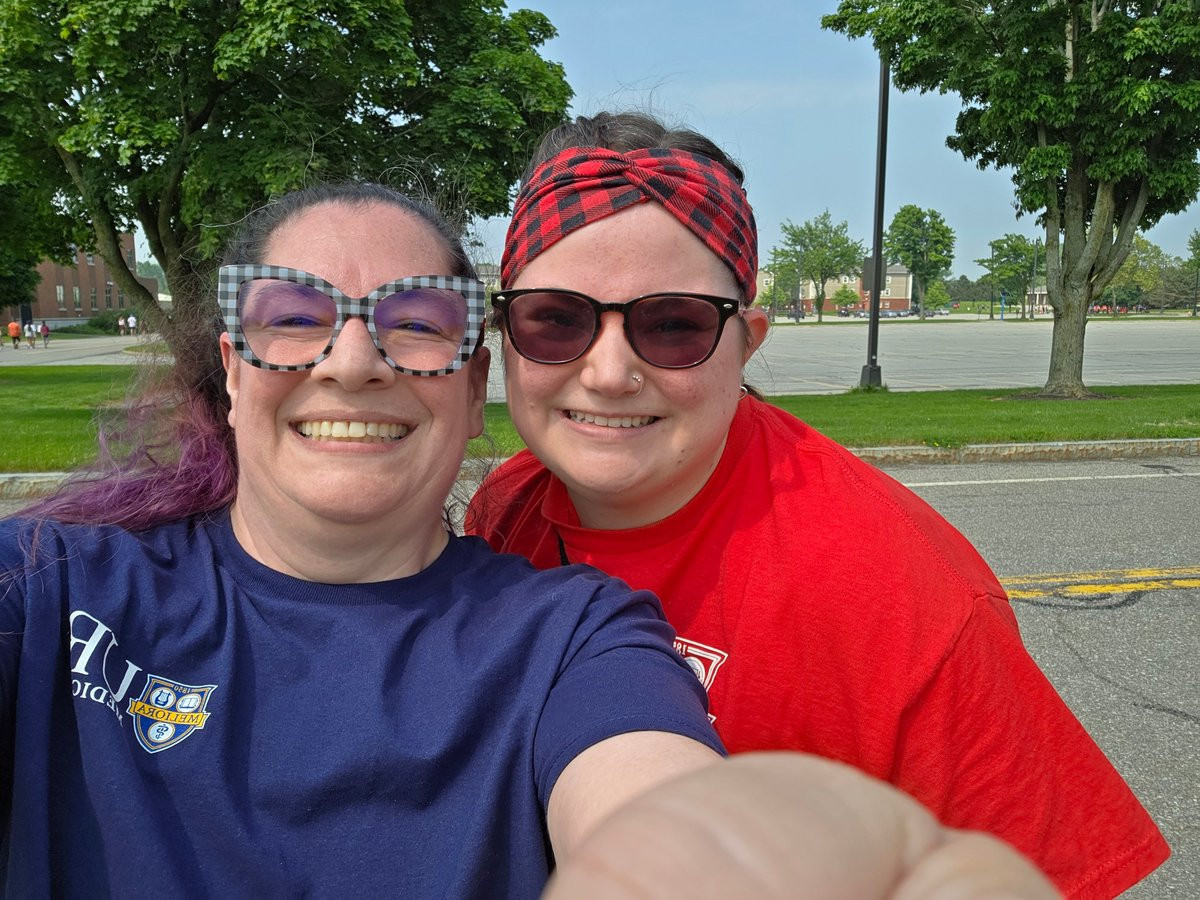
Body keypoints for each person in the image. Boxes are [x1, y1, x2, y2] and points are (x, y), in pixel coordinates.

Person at [1, 181, 1056, 899]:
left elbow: (649, 796)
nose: (354, 361)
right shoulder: (48, 586)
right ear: (233, 369)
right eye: (293, 315)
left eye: (417, 321)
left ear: (473, 390)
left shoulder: (573, 635)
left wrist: (714, 853)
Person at [466, 112, 1169, 899]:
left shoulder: (901, 592)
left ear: (748, 340)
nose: (607, 374)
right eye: (556, 319)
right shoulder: (502, 512)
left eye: (672, 326)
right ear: (504, 332)